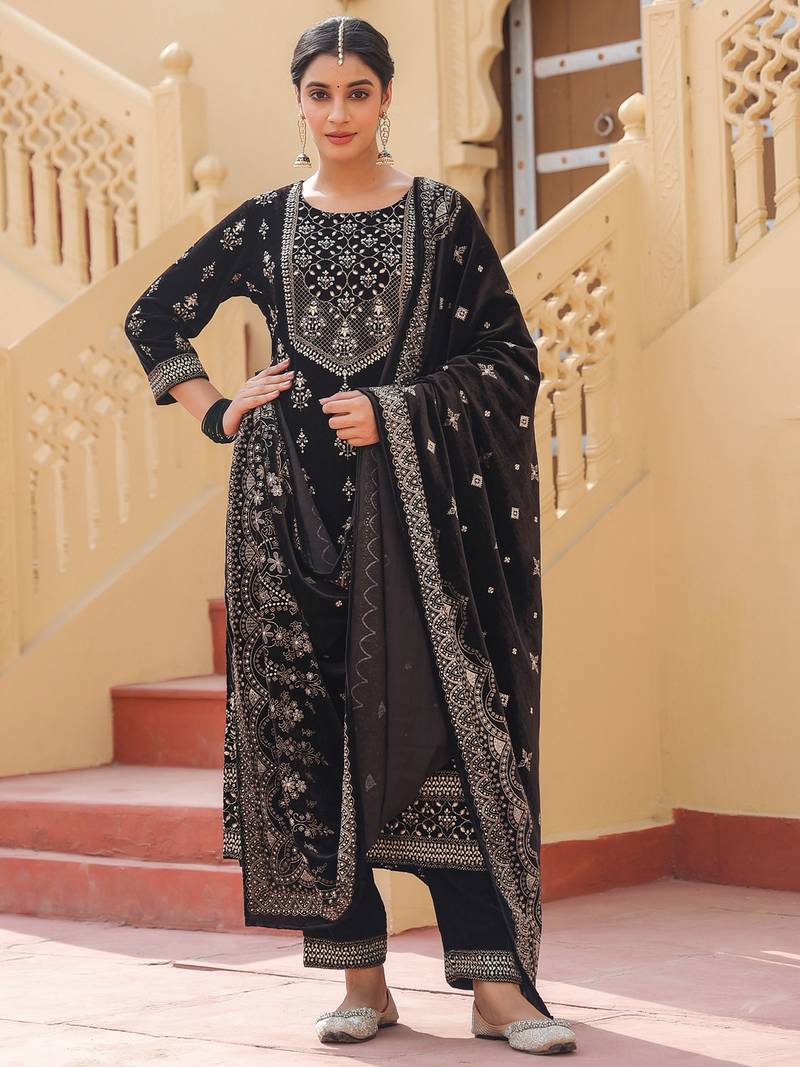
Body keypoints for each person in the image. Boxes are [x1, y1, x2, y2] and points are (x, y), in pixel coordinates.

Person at [124, 13, 577, 1057]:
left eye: (357, 92)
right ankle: (359, 978)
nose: (337, 113)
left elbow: (509, 360)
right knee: (315, 738)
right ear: (299, 101)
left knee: (448, 731)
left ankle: (495, 986)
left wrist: (397, 410)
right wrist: (217, 410)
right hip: (287, 517)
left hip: (418, 524)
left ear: (385, 99)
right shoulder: (265, 222)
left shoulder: (440, 217)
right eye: (319, 93)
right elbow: (155, 318)